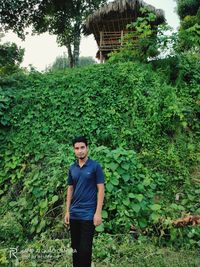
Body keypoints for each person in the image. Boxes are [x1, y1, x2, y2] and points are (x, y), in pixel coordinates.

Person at [65, 136, 105, 267]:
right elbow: (70, 190)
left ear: (87, 148)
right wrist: (67, 212)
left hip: (88, 214)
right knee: (75, 248)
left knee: (85, 249)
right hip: (74, 213)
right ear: (74, 150)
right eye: (77, 148)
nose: (80, 151)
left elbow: (101, 189)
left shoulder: (95, 166)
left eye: (82, 147)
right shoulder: (72, 168)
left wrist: (98, 213)